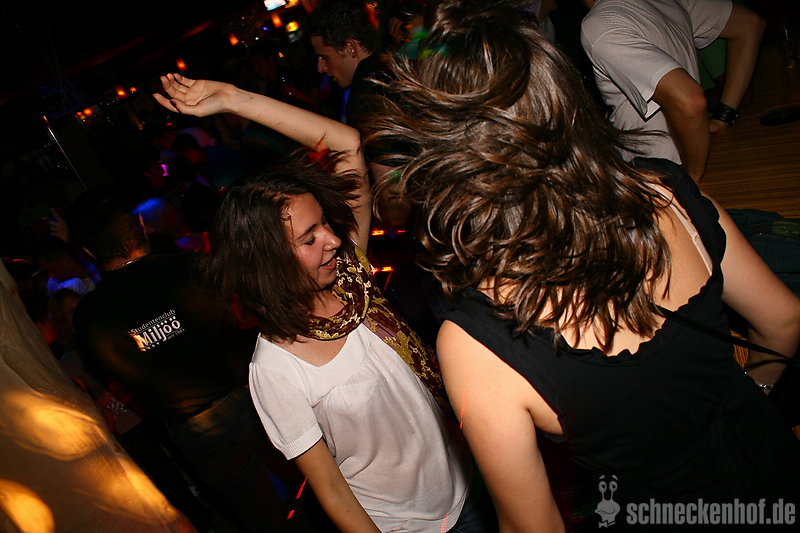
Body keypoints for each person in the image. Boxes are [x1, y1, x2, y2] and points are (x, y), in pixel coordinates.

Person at [367, 1, 800, 531]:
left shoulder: (475, 346)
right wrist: (753, 398)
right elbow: (783, 320)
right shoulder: (667, 196)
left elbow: (535, 527)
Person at [154, 72, 497, 533]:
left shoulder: (351, 278)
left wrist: (236, 99)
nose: (334, 239)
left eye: (325, 225)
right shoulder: (276, 369)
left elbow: (345, 145)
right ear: (269, 260)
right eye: (308, 237)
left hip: (472, 480)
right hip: (406, 526)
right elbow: (331, 490)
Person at [70, 200, 298, 533]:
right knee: (311, 480)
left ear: (90, 252)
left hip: (196, 424)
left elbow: (116, 373)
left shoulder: (89, 316)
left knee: (261, 515)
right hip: (254, 394)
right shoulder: (191, 266)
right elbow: (250, 316)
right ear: (141, 228)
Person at [580, 0, 766, 182]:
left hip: (657, 176)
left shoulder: (598, 25)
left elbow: (689, 100)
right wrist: (724, 115)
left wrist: (691, 176)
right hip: (697, 158)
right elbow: (749, 24)